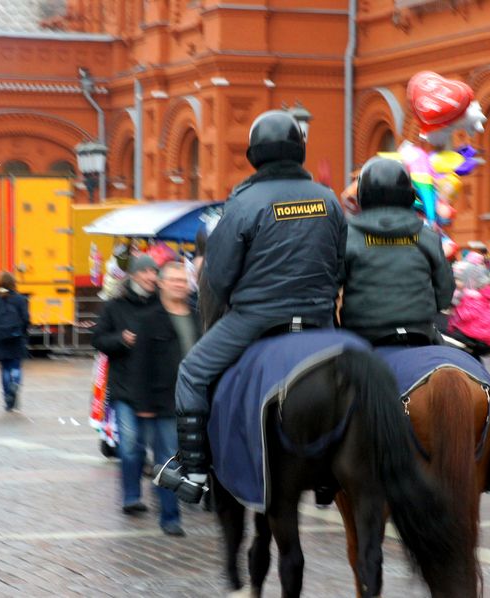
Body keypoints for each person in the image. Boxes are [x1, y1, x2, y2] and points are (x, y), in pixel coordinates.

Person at [163, 110, 347, 502]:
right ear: (299, 149)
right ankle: (335, 471)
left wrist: (222, 315)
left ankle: (194, 470)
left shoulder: (243, 203)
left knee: (193, 372)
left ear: (254, 153)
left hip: (257, 319)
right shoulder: (328, 200)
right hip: (317, 320)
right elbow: (340, 264)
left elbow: (219, 276)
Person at [93, 255, 192, 534]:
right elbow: (99, 340)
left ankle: (168, 509)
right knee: (131, 445)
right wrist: (121, 340)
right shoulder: (115, 306)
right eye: (145, 272)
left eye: (153, 272)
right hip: (126, 388)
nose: (150, 276)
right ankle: (131, 496)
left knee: (166, 453)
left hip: (161, 392)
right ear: (134, 275)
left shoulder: (162, 308)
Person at [340, 157, 453, 345]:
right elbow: (444, 295)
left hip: (362, 337)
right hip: (419, 334)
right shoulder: (428, 237)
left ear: (363, 195)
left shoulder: (347, 237)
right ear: (409, 196)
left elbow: (330, 289)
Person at [0, 272, 29, 411]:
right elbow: (26, 318)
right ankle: (15, 382)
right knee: (16, 365)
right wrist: (23, 333)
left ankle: (8, 398)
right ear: (13, 283)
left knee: (5, 368)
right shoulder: (20, 299)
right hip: (17, 336)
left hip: (0, 338)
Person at [445, 260, 490, 358]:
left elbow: (466, 314)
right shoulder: (470, 294)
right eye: (455, 279)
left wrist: (454, 315)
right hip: (478, 332)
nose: (456, 282)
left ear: (469, 280)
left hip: (477, 333)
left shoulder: (472, 296)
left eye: (459, 280)